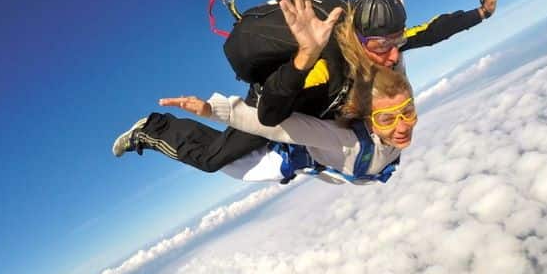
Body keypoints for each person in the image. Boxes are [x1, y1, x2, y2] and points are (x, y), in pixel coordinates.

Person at [114, 0, 501, 172]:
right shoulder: (323, 67)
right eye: (381, 44)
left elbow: (430, 32)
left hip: (318, 88)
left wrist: (481, 13)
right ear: (360, 38)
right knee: (216, 158)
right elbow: (269, 115)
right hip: (282, 90)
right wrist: (305, 56)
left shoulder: (381, 45)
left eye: (396, 40)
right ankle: (153, 129)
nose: (393, 52)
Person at [141, 64, 418, 184]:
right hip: (275, 157)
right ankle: (150, 129)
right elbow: (277, 128)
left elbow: (398, 70)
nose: (403, 126)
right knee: (210, 160)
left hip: (298, 135)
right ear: (368, 119)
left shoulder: (394, 101)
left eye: (408, 112)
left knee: (216, 151)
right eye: (387, 119)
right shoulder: (347, 141)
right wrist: (213, 110)